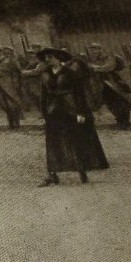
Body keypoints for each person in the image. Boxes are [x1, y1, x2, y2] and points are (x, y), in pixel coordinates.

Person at [36, 47, 109, 187]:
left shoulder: (70, 73)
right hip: (52, 111)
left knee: (75, 139)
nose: (47, 60)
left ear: (58, 58)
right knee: (53, 141)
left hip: (70, 109)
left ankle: (81, 170)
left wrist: (81, 112)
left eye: (50, 57)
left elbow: (79, 94)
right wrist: (44, 112)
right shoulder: (45, 74)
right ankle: (52, 174)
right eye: (46, 58)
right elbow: (44, 95)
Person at [86, 43, 131, 130]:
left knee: (120, 102)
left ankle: (125, 122)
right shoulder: (94, 60)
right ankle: (119, 120)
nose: (94, 51)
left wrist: (94, 67)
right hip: (103, 85)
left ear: (101, 49)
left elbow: (108, 67)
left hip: (114, 84)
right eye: (92, 50)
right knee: (110, 104)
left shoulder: (109, 57)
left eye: (96, 49)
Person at [0, 45, 24, 129]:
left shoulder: (10, 60)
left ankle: (16, 124)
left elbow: (17, 72)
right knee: (4, 105)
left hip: (9, 86)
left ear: (1, 52)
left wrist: (16, 84)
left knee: (12, 105)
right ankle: (11, 124)